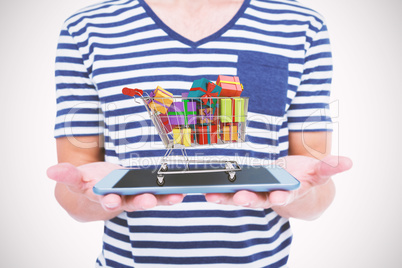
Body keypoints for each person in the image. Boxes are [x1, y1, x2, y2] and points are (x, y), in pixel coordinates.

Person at [47, 0, 352, 267]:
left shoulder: (300, 25)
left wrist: (302, 189)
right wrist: (89, 192)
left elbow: (317, 185)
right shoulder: (87, 28)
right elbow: (73, 183)